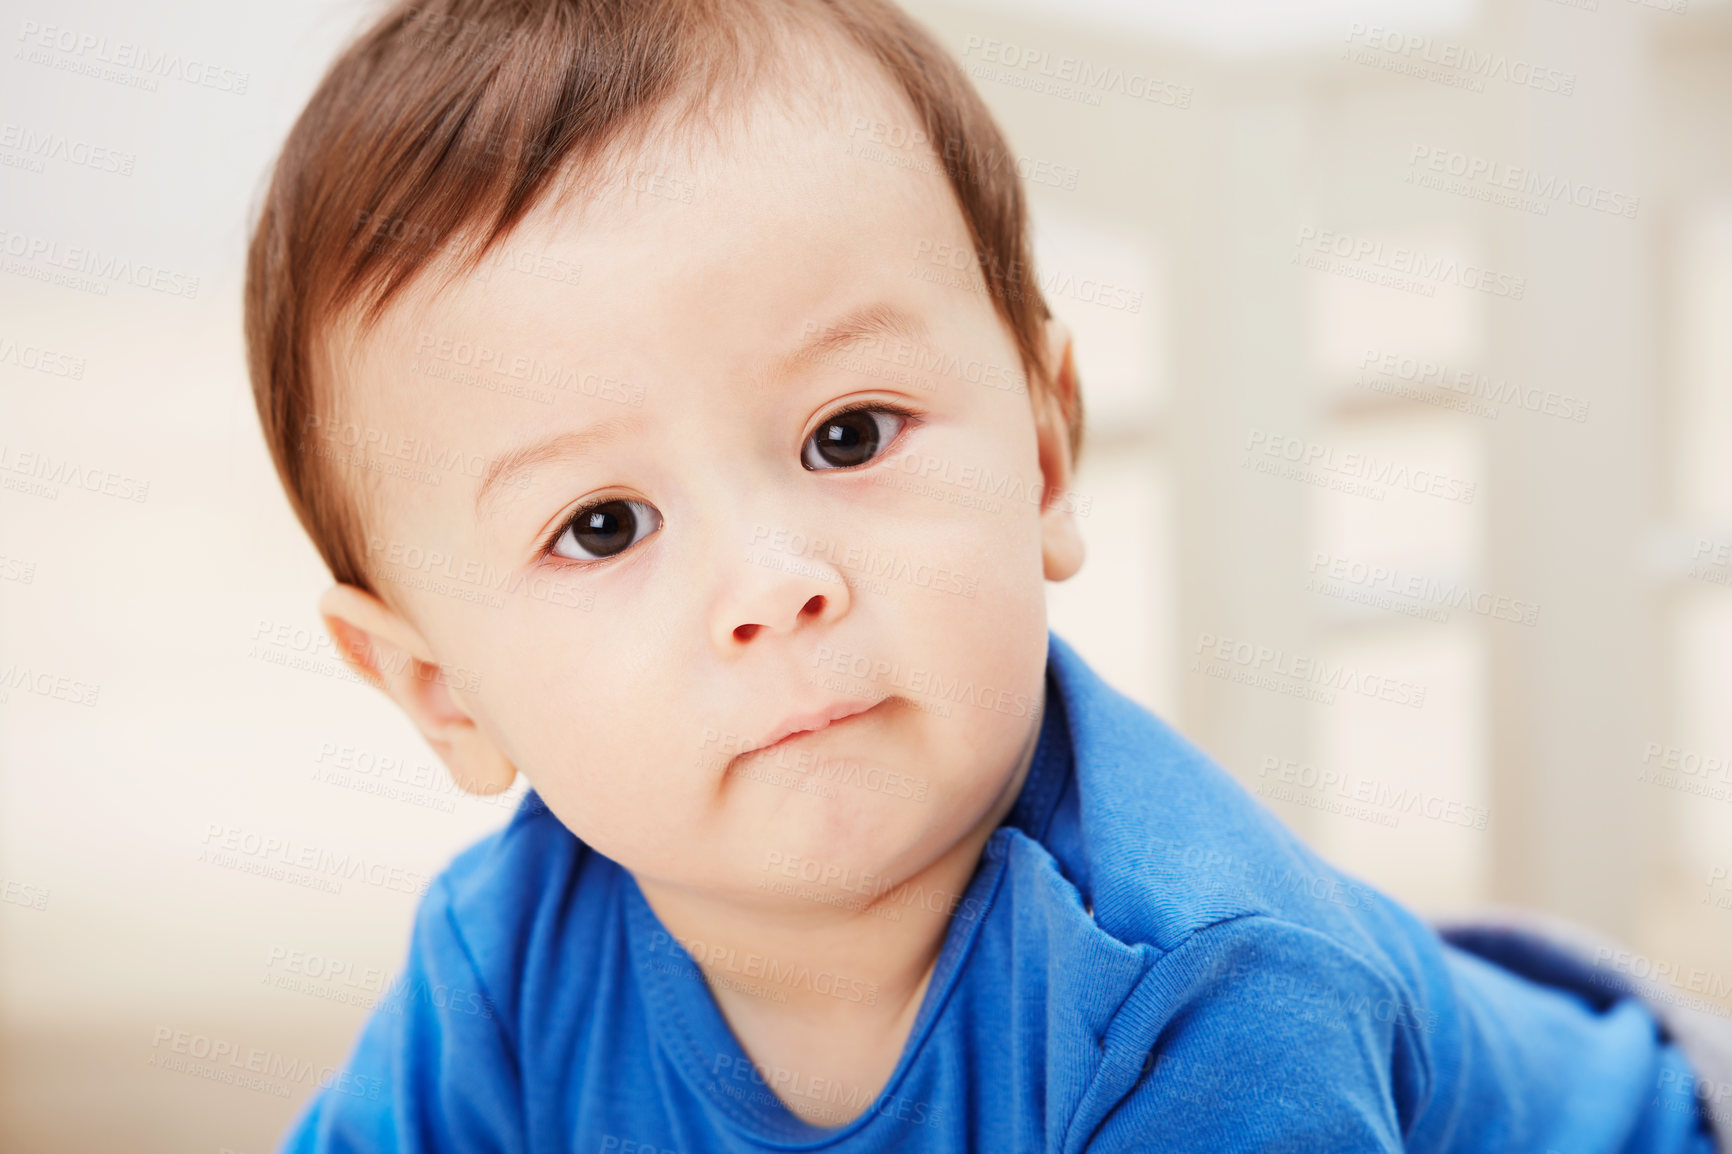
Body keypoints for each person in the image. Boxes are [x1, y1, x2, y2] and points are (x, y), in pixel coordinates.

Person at [245, 0, 1721, 1149]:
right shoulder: (507, 972)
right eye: (606, 526)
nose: (775, 582)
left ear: (1043, 456)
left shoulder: (1199, 998)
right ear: (441, 690)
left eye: (847, 434)